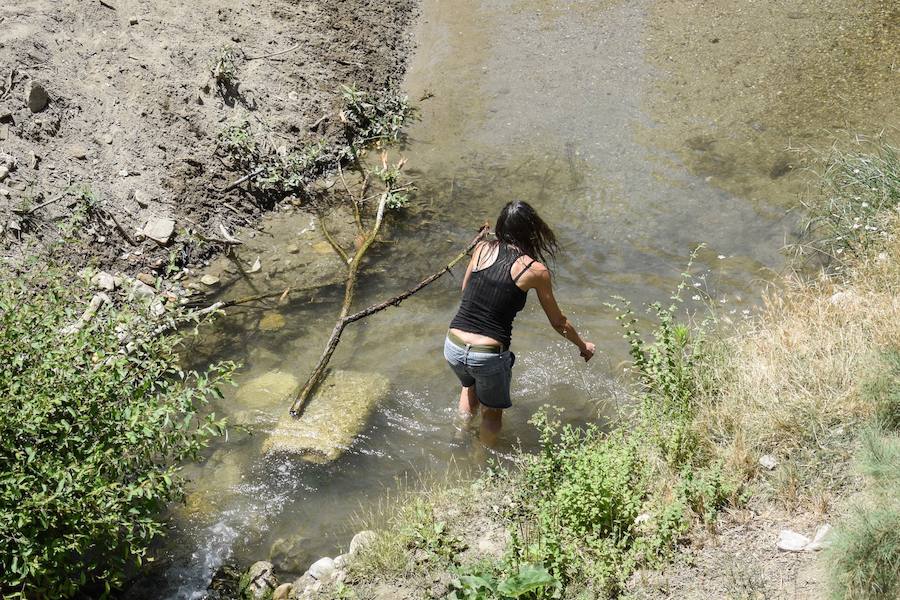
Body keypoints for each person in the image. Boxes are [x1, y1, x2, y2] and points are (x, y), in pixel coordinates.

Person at [443, 200, 595, 445]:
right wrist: (582, 345)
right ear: (532, 231)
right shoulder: (535, 270)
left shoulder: (481, 249)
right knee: (492, 414)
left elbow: (466, 289)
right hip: (487, 353)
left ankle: (458, 438)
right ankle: (480, 462)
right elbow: (558, 322)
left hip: (453, 344)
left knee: (469, 387)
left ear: (501, 227)